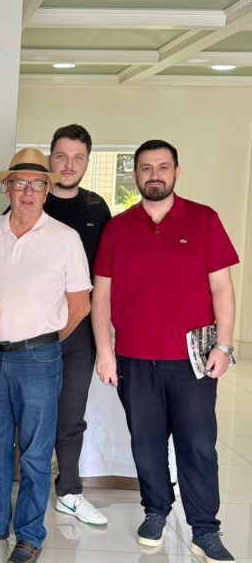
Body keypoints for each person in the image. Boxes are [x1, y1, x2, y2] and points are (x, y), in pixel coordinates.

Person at [92, 139, 239, 562]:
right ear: (135, 174)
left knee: (198, 444)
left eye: (163, 167)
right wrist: (105, 351)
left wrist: (224, 345)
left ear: (176, 172)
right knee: (146, 444)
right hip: (135, 360)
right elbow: (102, 295)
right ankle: (155, 511)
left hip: (193, 361)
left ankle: (205, 529)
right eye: (146, 167)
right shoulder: (118, 228)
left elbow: (222, 288)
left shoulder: (204, 220)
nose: (154, 175)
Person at [0, 148, 91, 563]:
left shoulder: (65, 239)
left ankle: (30, 534)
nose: (28, 192)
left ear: (48, 190)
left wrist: (45, 339)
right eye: (20, 183)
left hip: (40, 360)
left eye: (37, 184)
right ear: (7, 188)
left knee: (35, 452)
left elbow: (80, 304)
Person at [45, 124, 111, 526]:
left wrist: (106, 342)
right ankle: (21, 491)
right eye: (61, 156)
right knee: (26, 416)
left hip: (79, 331)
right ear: (49, 157)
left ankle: (68, 491)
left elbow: (106, 276)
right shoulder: (30, 199)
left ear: (87, 162)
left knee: (70, 414)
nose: (69, 165)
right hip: (30, 333)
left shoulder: (96, 208)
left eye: (78, 158)